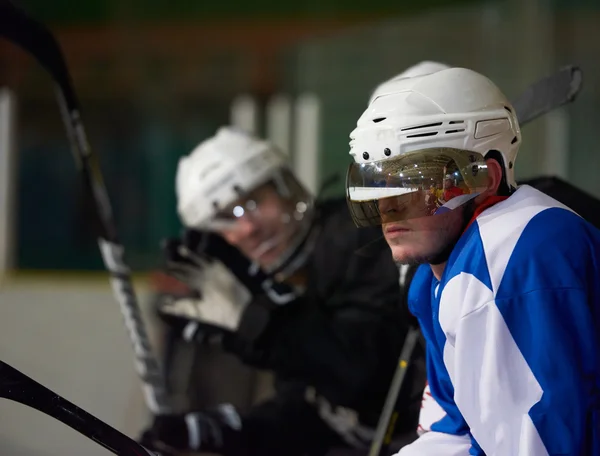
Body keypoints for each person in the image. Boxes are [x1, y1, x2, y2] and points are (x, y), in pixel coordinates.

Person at [345, 66, 600, 455]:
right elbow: (454, 431)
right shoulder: (434, 281)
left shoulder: (514, 256)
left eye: (417, 180)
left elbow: (546, 446)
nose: (389, 205)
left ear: (488, 177)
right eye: (380, 182)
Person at [138, 126, 426, 456]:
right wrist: (231, 429)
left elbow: (366, 379)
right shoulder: (282, 281)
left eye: (254, 202)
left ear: (286, 186)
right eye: (225, 219)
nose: (247, 227)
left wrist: (263, 324)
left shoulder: (358, 237)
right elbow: (316, 411)